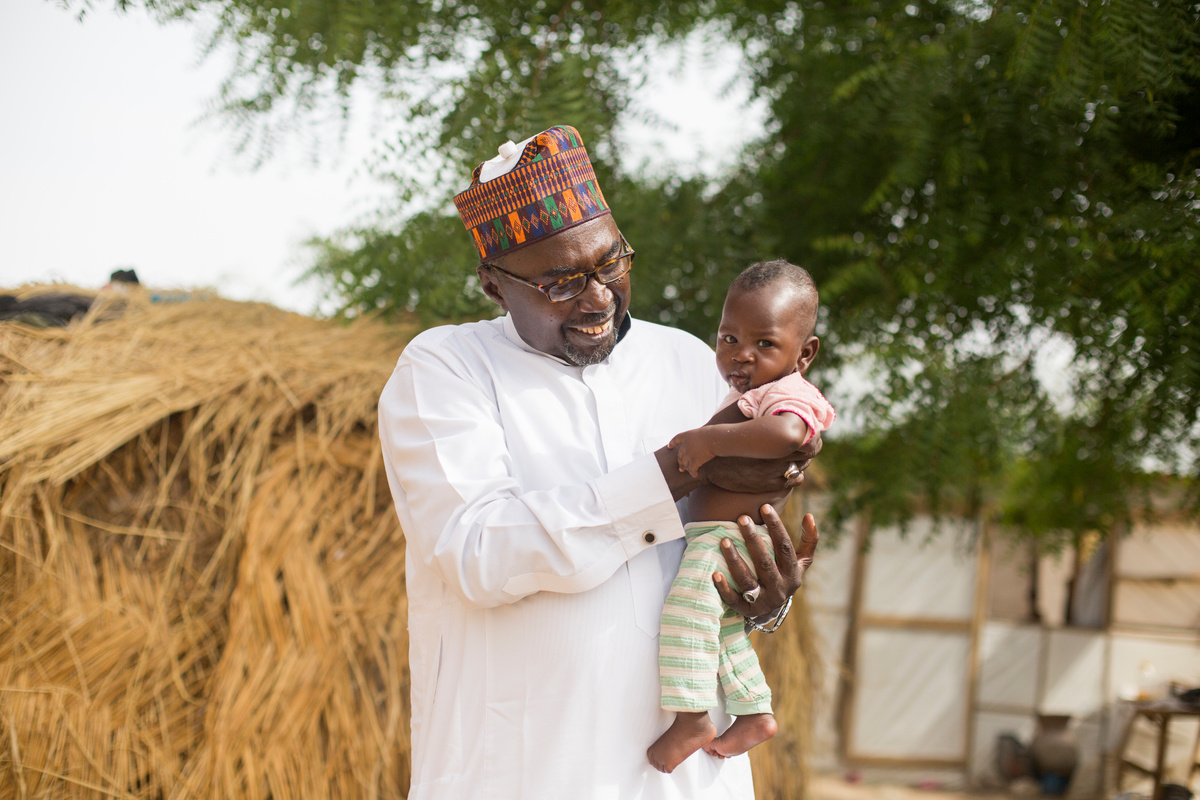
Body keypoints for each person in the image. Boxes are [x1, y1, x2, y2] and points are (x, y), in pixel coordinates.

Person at [378, 125, 821, 799]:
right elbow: (481, 555)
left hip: (688, 783)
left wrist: (762, 598)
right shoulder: (445, 369)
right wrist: (679, 465)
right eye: (561, 283)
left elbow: (724, 541)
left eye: (610, 264)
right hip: (526, 772)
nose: (598, 299)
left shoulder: (695, 364)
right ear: (495, 287)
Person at [648, 261, 835, 774]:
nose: (740, 354)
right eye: (729, 338)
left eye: (765, 344)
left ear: (805, 353)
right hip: (715, 536)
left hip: (729, 539)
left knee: (686, 613)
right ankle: (753, 710)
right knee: (724, 632)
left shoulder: (786, 394)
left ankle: (691, 716)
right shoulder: (747, 393)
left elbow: (790, 436)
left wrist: (710, 440)